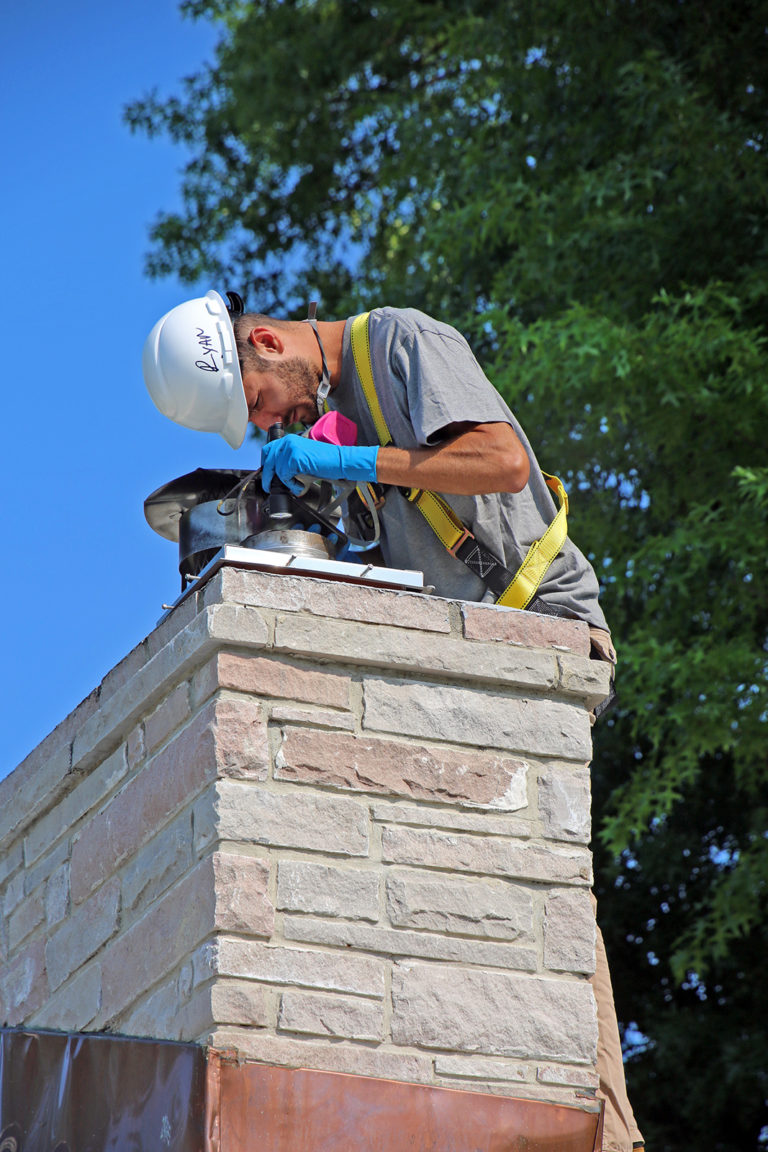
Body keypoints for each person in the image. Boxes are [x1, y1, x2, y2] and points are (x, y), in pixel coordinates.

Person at [143, 289, 644, 1152]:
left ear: (266, 341)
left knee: (544, 881)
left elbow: (498, 465)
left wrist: (362, 462)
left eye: (260, 403)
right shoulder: (337, 419)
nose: (270, 423)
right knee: (476, 891)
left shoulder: (403, 345)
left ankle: (610, 1129)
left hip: (540, 633)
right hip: (464, 663)